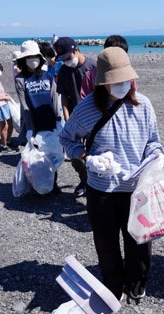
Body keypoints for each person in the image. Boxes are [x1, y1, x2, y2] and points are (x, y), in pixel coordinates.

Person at [59, 47, 164, 301]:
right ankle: (113, 288)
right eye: (115, 82)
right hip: (101, 190)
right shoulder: (85, 109)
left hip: (136, 189)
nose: (121, 85)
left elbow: (153, 141)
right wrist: (87, 158)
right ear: (102, 82)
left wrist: (157, 155)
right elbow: (66, 138)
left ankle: (137, 283)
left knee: (139, 241)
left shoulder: (144, 105)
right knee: (106, 244)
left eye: (125, 80)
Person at [54, 36, 97, 197]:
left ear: (76, 50)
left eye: (68, 57)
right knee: (74, 154)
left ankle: (96, 184)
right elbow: (63, 96)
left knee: (96, 153)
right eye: (62, 59)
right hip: (74, 119)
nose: (66, 61)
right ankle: (84, 179)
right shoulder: (64, 70)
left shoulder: (93, 66)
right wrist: (66, 117)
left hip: (94, 120)